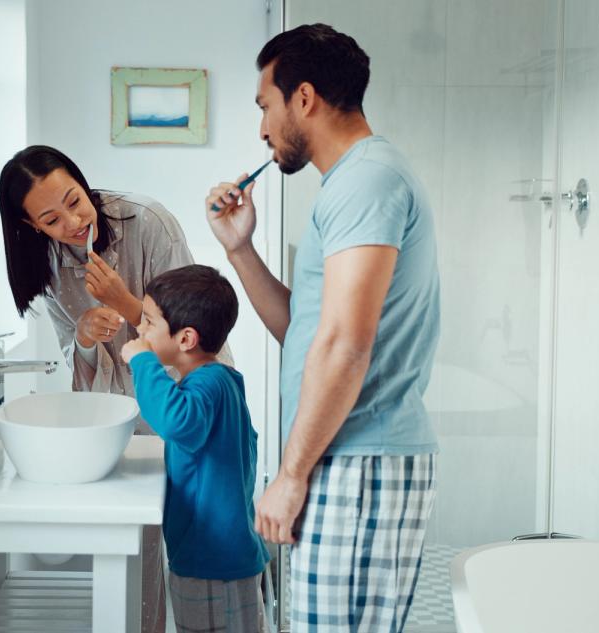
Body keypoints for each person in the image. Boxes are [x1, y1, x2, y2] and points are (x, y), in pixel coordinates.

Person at [204, 24, 441, 630]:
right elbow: (309, 334)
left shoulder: (367, 180)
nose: (261, 128)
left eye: (265, 105)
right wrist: (240, 250)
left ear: (302, 98)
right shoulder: (352, 183)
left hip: (360, 456)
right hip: (344, 455)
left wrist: (290, 474)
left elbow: (345, 344)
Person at [0, 144, 198, 633]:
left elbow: (194, 338)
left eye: (74, 199)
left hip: (185, 403)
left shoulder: (150, 223)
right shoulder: (44, 260)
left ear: (83, 182)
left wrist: (125, 303)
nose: (71, 221)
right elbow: (76, 361)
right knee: (139, 548)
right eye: (50, 218)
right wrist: (85, 335)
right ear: (31, 227)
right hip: (121, 419)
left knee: (198, 553)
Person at [120, 265, 270, 633]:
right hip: (217, 557)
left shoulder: (208, 385)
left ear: (185, 338)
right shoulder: (219, 381)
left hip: (213, 563)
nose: (140, 330)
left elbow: (176, 421)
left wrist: (142, 360)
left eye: (149, 323)